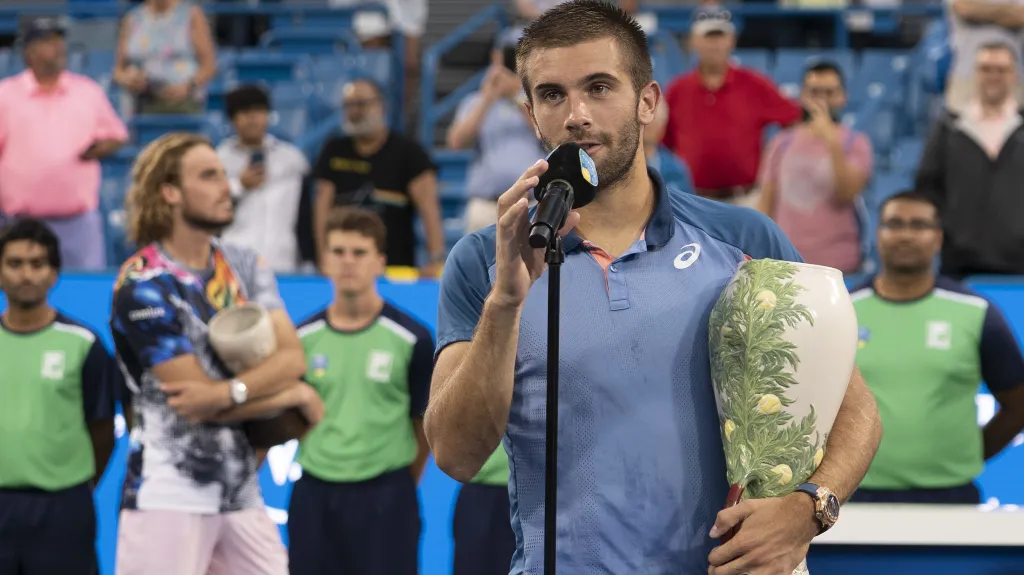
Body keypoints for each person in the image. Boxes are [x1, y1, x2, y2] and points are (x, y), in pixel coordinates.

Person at [425, 2, 882, 574]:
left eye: (598, 87)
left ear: (648, 100)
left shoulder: (743, 238)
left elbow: (854, 408)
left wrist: (811, 506)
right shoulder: (484, 259)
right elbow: (457, 455)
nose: (576, 115)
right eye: (552, 95)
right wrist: (507, 302)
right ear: (531, 114)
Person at [109, 132, 325, 575]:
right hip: (167, 493)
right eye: (209, 176)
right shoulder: (142, 282)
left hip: (240, 491)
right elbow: (194, 402)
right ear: (169, 192)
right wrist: (290, 397)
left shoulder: (244, 263)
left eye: (223, 175)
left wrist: (235, 390)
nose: (226, 186)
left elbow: (292, 359)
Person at [848, 191, 1024, 504]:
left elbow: (1019, 404)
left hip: (952, 496)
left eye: (919, 225)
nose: (905, 234)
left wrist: (967, 454)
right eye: (894, 224)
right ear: (878, 234)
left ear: (938, 238)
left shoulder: (976, 311)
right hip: (850, 494)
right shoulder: (844, 311)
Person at [288, 207, 433, 574]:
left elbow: (424, 425)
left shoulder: (412, 337)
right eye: (337, 252)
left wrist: (394, 481)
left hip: (387, 497)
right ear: (324, 261)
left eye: (359, 253)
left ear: (380, 262)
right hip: (315, 495)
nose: (347, 262)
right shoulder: (300, 338)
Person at [0, 218, 119, 575]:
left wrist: (72, 488)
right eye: (15, 263)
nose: (26, 275)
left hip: (63, 510)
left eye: (37, 264)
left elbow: (102, 433)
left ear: (54, 274)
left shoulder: (84, 344)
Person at [0, 16, 128, 270]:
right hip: (21, 223)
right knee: (22, 291)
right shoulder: (5, 94)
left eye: (60, 41)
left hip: (79, 224)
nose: (58, 47)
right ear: (30, 51)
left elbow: (117, 135)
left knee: (85, 294)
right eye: (49, 41)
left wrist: (98, 148)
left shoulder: (87, 91)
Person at [661, 4, 801, 206]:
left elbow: (794, 118)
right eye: (708, 36)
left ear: (732, 40)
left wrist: (775, 158)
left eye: (720, 36)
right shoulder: (677, 90)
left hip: (746, 198)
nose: (715, 43)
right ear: (693, 41)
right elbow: (664, 142)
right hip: (693, 200)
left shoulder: (754, 84)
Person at [313, 78, 445, 277]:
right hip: (344, 267)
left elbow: (429, 209)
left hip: (395, 269)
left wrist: (436, 260)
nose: (355, 111)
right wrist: (323, 255)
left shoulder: (409, 152)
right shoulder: (333, 150)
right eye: (349, 105)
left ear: (381, 106)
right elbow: (322, 207)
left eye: (362, 104)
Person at [916, 41, 1024, 277]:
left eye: (1001, 69)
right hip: (959, 264)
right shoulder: (948, 128)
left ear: (1014, 75)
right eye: (986, 68)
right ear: (975, 73)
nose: (993, 76)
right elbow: (927, 188)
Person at [758, 61, 873, 274]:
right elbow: (766, 202)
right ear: (803, 96)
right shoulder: (782, 142)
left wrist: (832, 141)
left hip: (838, 264)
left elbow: (846, 193)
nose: (821, 100)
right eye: (814, 92)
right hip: (788, 262)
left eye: (829, 92)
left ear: (842, 97)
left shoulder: (856, 143)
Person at [447, 29, 545, 234]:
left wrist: (516, 96)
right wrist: (488, 98)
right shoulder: (474, 101)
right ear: (495, 59)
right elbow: (456, 142)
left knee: (534, 266)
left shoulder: (538, 101)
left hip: (530, 204)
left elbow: (546, 134)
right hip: (486, 206)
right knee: (481, 266)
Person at [217, 84, 311, 272]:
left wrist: (309, 259)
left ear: (268, 115)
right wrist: (239, 185)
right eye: (244, 111)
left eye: (258, 110)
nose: (252, 118)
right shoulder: (218, 160)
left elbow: (306, 214)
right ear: (232, 119)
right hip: (233, 264)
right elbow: (208, 210)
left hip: (283, 263)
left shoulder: (292, 159)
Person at [114, 0, 218, 114]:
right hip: (143, 101)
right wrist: (128, 80)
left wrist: (188, 86)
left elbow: (209, 66)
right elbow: (118, 71)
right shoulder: (132, 18)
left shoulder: (191, 14)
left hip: (184, 102)